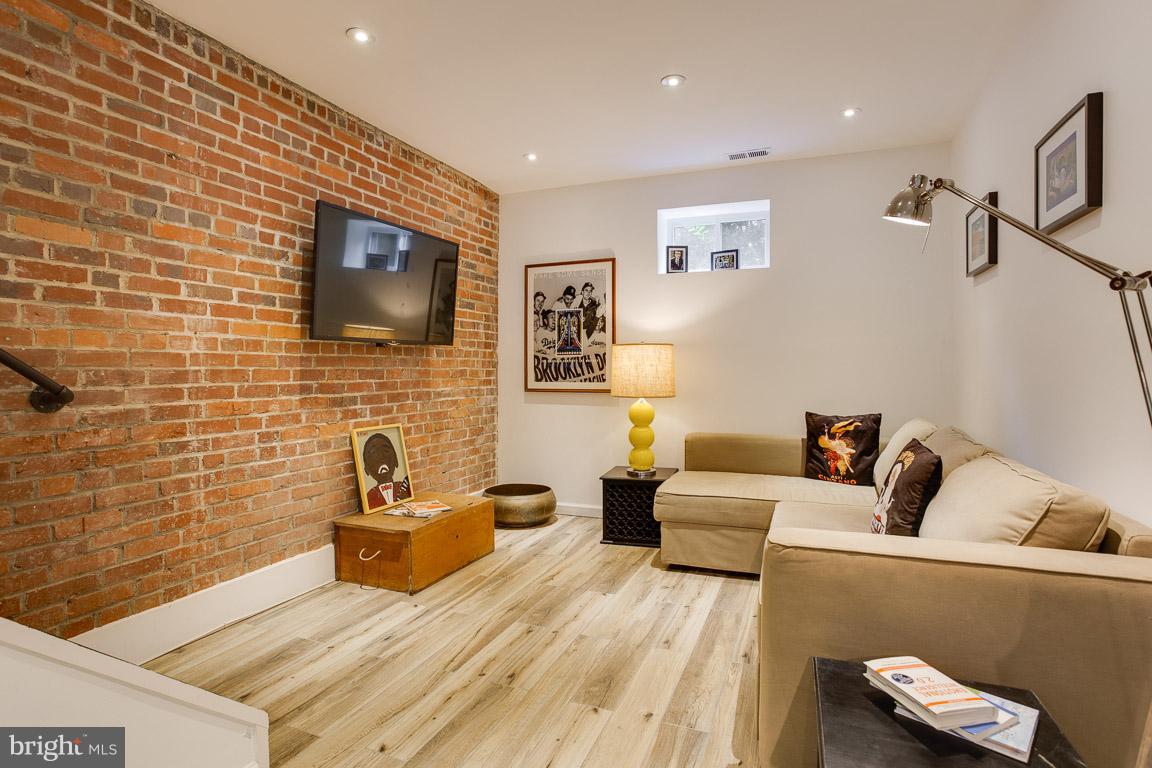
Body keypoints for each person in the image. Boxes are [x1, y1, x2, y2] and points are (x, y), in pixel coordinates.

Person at [362, 433, 411, 509]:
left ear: (396, 460)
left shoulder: (404, 488)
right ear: (366, 469)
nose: (381, 457)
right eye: (373, 453)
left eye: (386, 451)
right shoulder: (368, 498)